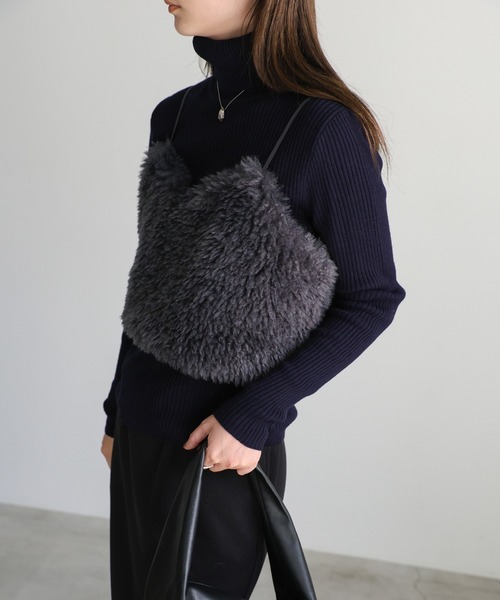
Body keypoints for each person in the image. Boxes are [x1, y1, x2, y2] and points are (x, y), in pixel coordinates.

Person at [101, 0, 406, 598]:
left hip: (222, 447)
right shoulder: (174, 115)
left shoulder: (324, 127)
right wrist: (116, 411)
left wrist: (252, 415)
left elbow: (372, 298)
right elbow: (154, 280)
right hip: (138, 427)